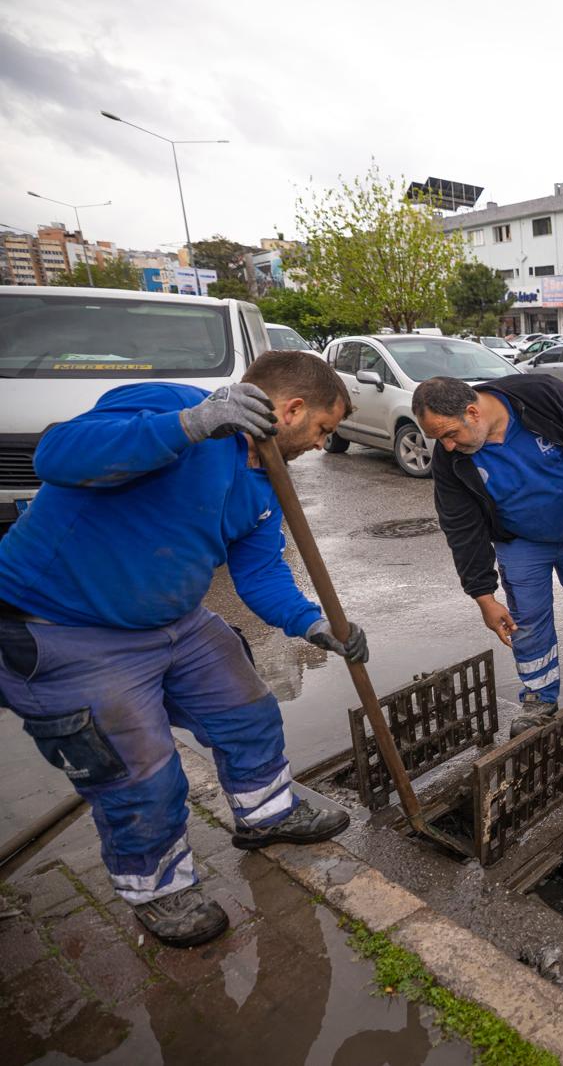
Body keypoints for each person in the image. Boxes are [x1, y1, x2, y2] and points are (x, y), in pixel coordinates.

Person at [0, 352, 368, 950]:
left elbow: (262, 573)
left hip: (176, 622)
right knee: (139, 770)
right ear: (293, 409)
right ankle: (159, 888)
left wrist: (314, 624)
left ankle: (267, 814)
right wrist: (190, 427)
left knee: (247, 708)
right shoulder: (173, 407)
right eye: (324, 430)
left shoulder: (264, 481)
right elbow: (57, 456)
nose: (324, 445)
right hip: (63, 628)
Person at [412, 374, 563, 735]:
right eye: (438, 438)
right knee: (527, 619)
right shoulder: (450, 458)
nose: (447, 446)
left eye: (449, 434)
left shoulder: (542, 395)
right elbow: (460, 525)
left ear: (472, 412)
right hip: (520, 541)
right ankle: (539, 695)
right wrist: (483, 595)